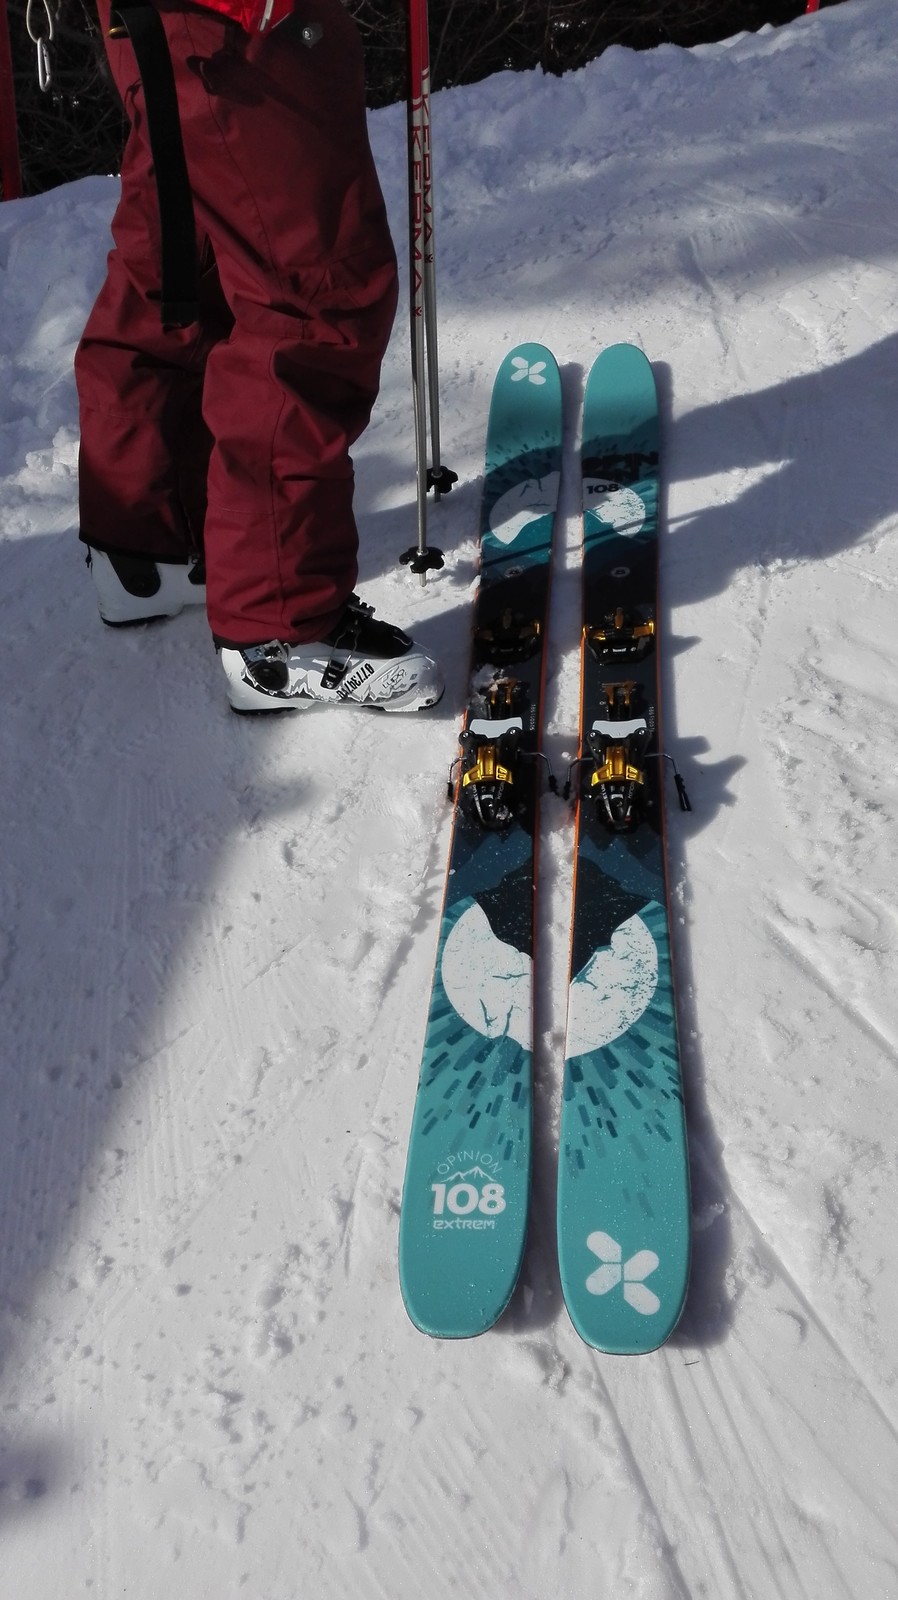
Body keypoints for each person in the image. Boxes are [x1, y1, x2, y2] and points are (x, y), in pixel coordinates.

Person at [74, 0, 443, 714]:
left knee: (188, 253)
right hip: (242, 22)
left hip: (177, 22)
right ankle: (279, 628)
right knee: (312, 292)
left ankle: (151, 541)